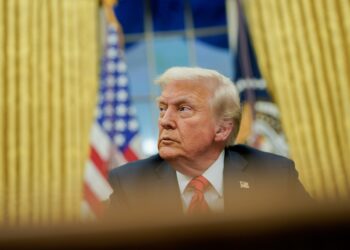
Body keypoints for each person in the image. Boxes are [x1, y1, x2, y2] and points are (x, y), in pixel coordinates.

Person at [108, 67, 310, 217]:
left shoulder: (273, 177)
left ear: (222, 129)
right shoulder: (131, 186)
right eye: (162, 108)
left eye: (183, 109)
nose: (165, 120)